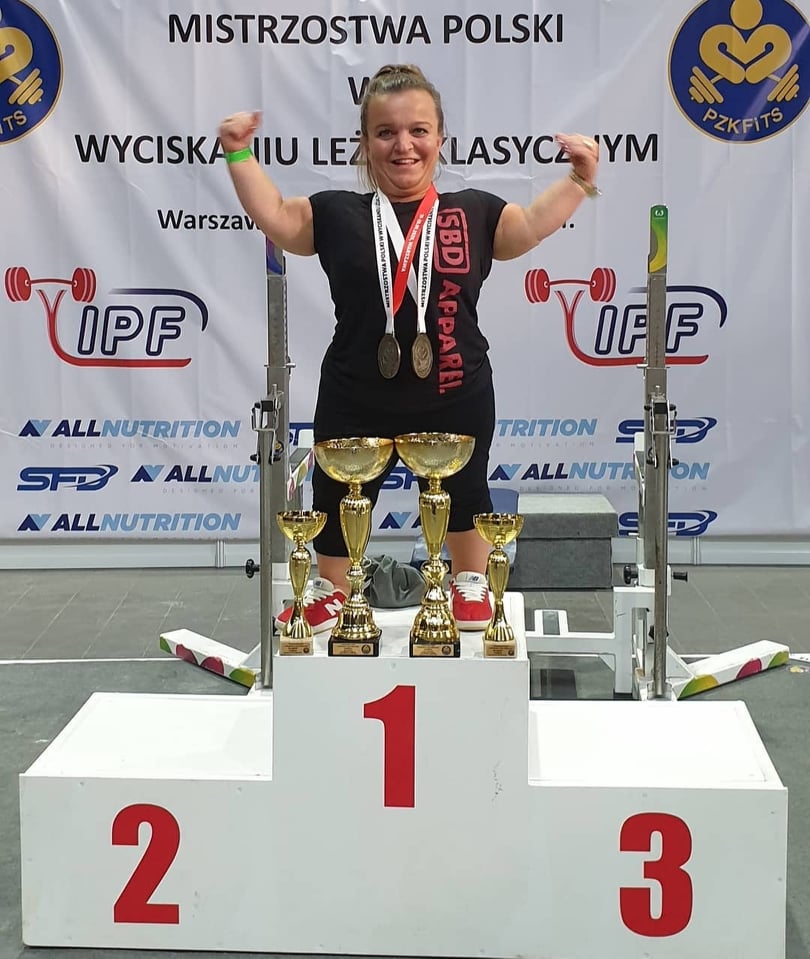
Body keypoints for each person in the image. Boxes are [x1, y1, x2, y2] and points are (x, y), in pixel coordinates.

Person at [219, 64, 600, 633]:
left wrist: (579, 178)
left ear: (440, 138)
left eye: (419, 130)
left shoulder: (472, 211)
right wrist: (237, 152)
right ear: (364, 142)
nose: (404, 145)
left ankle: (469, 581)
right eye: (386, 132)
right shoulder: (336, 213)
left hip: (453, 389)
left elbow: (530, 226)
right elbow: (274, 214)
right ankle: (333, 589)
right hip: (355, 394)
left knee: (466, 490)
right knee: (338, 494)